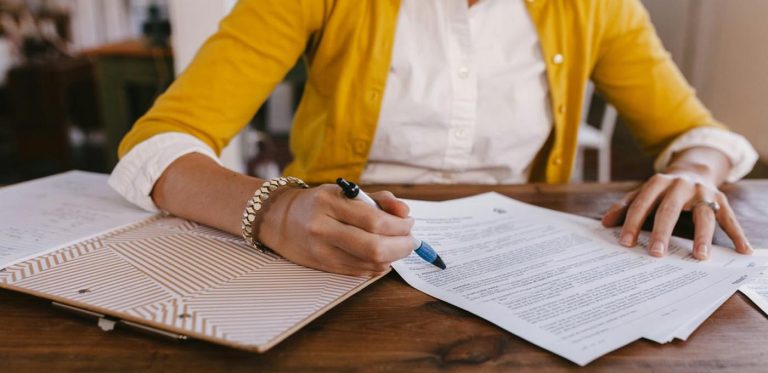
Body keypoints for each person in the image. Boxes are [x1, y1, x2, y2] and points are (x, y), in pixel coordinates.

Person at [109, 0, 758, 276]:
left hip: (515, 261)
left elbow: (695, 133)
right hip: (328, 254)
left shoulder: (595, 7)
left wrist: (695, 172)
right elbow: (155, 148)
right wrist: (276, 211)